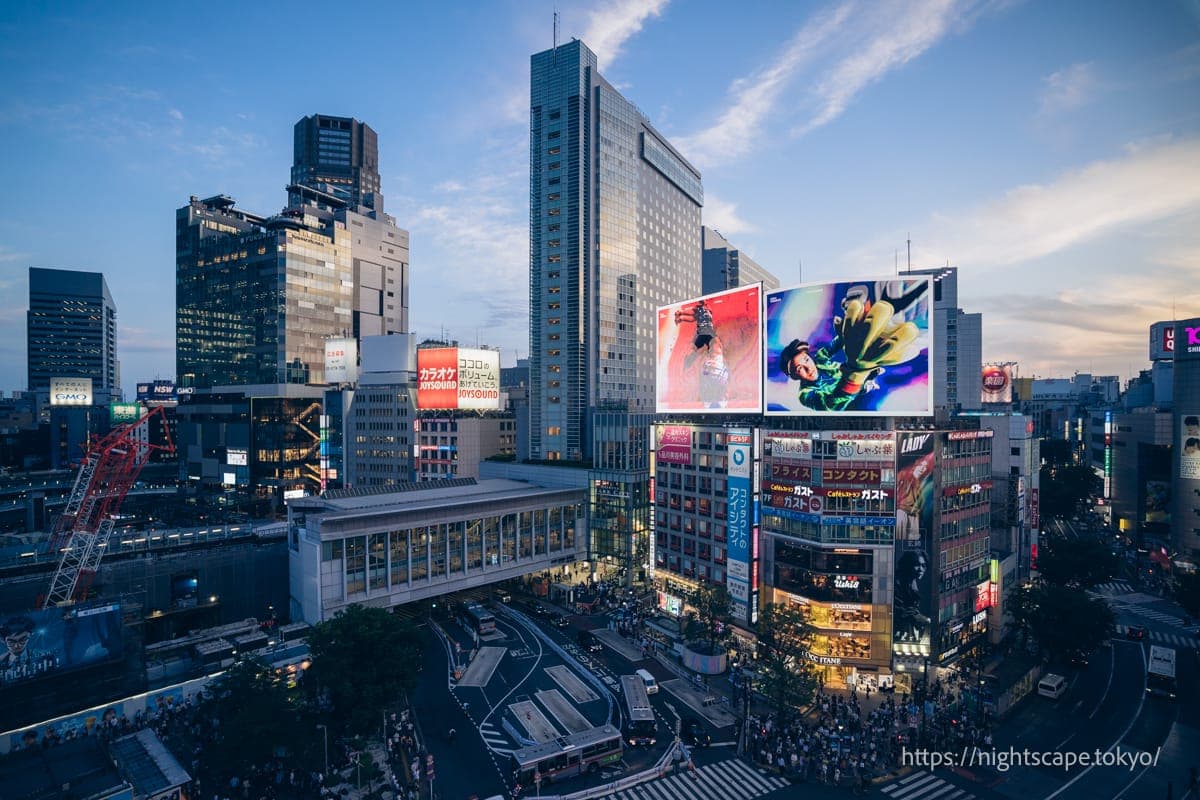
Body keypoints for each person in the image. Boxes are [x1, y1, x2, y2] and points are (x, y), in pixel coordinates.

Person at [777, 282, 924, 412]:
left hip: (867, 382)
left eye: (806, 360)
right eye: (799, 369)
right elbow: (832, 406)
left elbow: (834, 345)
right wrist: (856, 373)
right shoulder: (805, 394)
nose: (808, 367)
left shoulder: (819, 360)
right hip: (858, 403)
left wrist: (849, 333)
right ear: (795, 376)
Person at [675, 300, 730, 408]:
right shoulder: (703, 310)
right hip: (707, 333)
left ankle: (691, 358)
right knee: (714, 345)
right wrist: (681, 314)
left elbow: (691, 318)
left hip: (703, 333)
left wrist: (681, 316)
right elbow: (691, 316)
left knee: (699, 347)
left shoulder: (703, 311)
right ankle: (692, 357)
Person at [894, 550, 931, 644]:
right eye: (917, 565)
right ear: (908, 565)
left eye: (924, 565)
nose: (921, 569)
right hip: (895, 631)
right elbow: (903, 611)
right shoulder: (897, 583)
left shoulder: (912, 582)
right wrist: (926, 620)